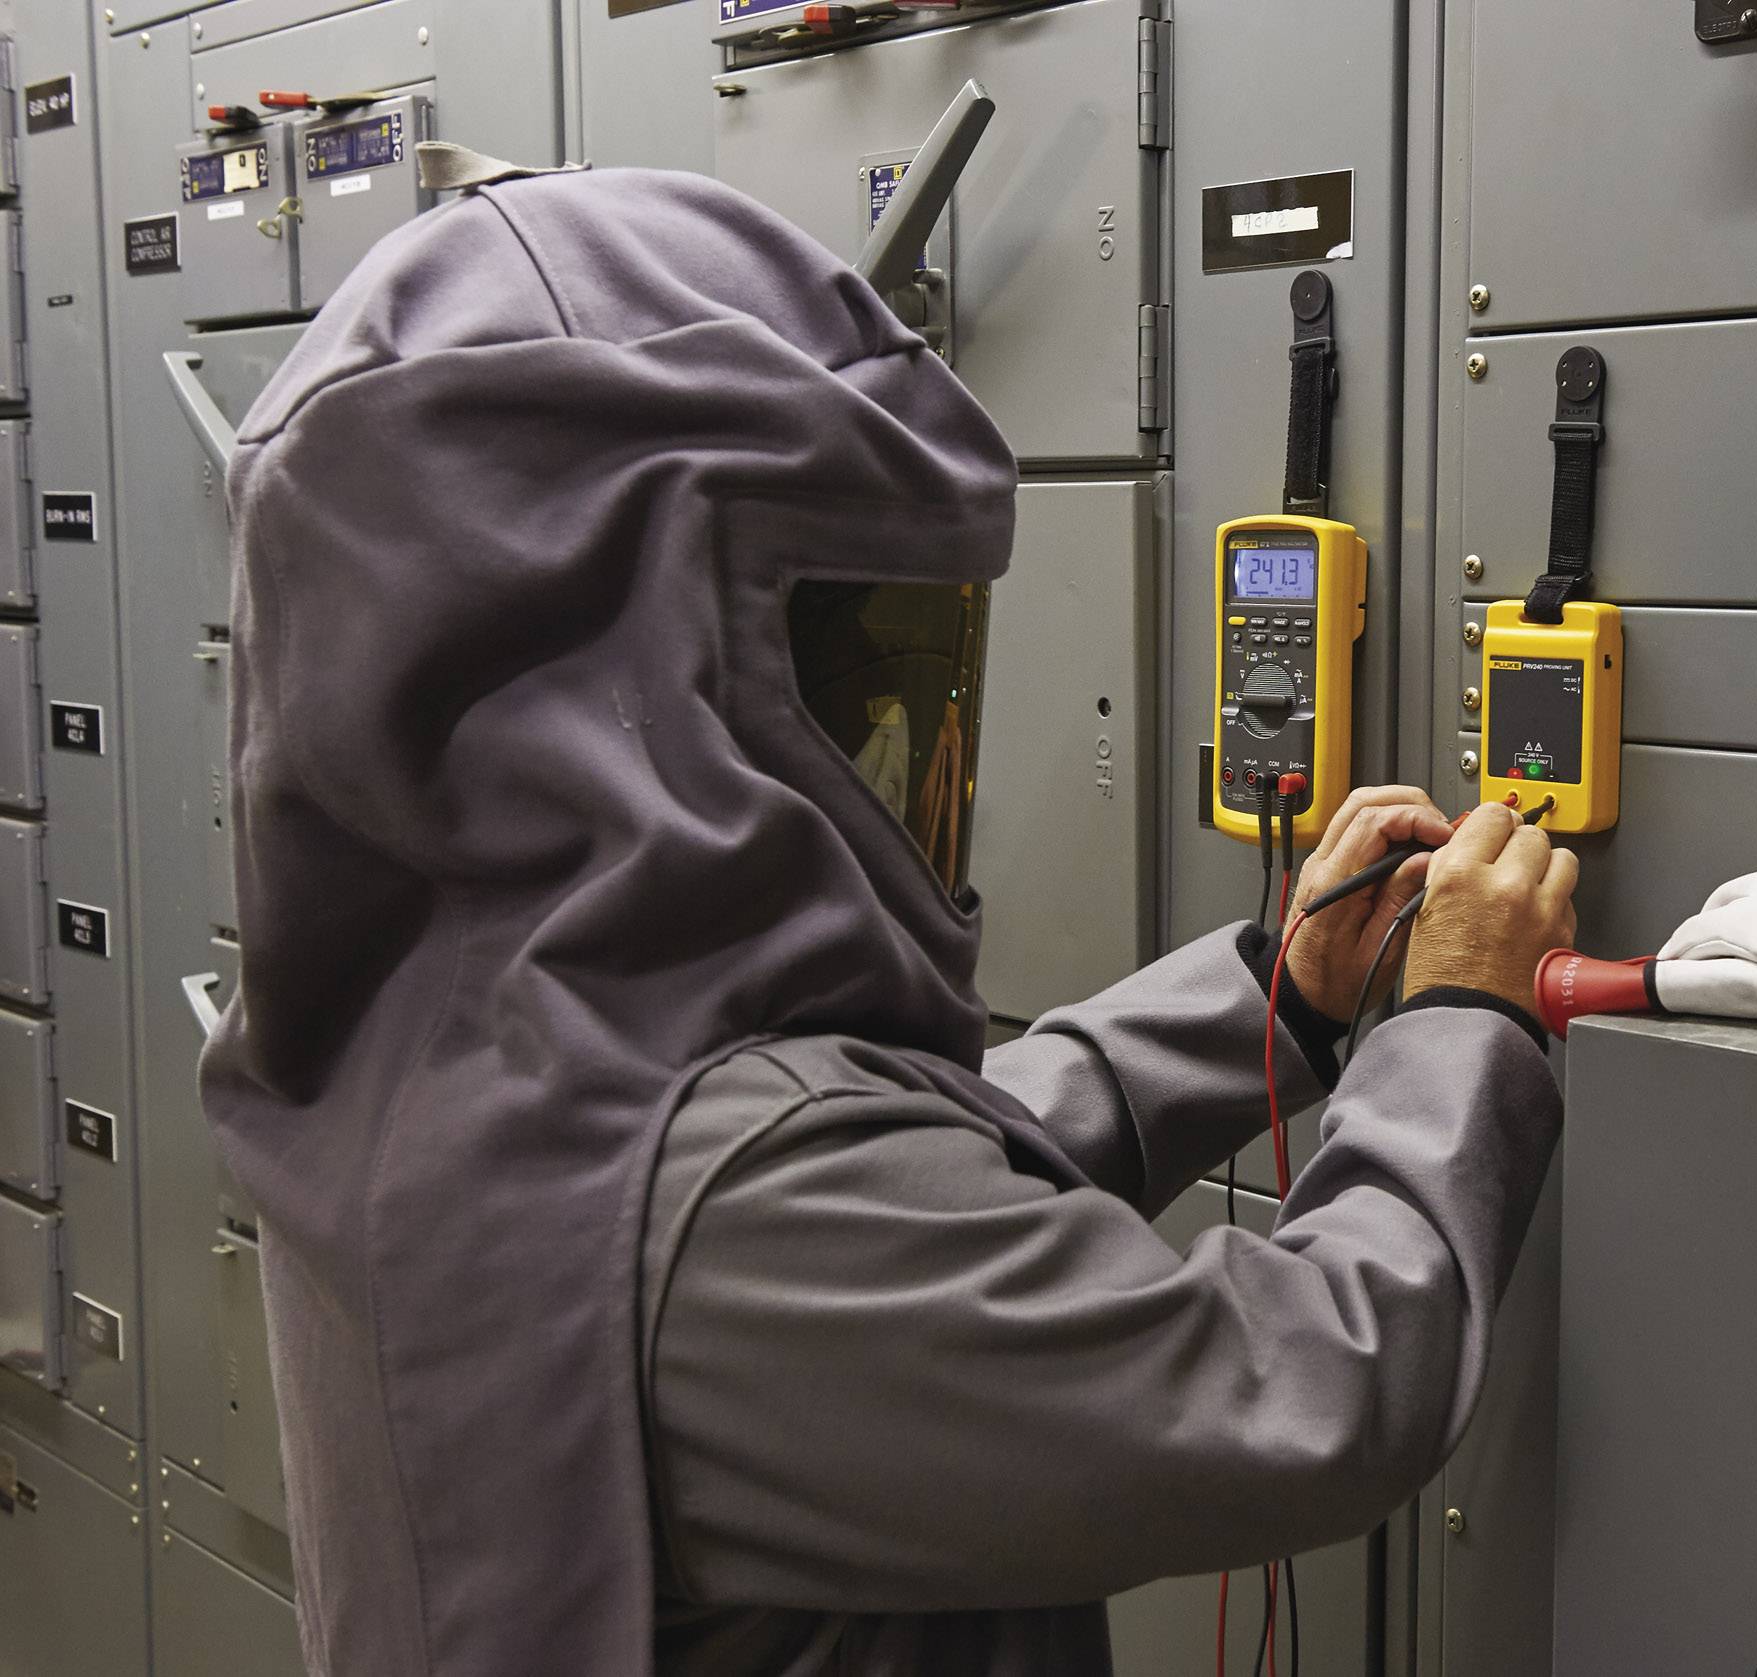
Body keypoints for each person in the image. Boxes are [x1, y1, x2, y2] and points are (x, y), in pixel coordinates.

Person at [201, 167, 1573, 1677]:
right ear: (661, 675)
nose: (894, 744)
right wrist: (1459, 1022)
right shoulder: (728, 1211)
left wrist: (1280, 1002)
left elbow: (909, 1189)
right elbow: (1313, 1386)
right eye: (836, 658)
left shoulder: (432, 1045)